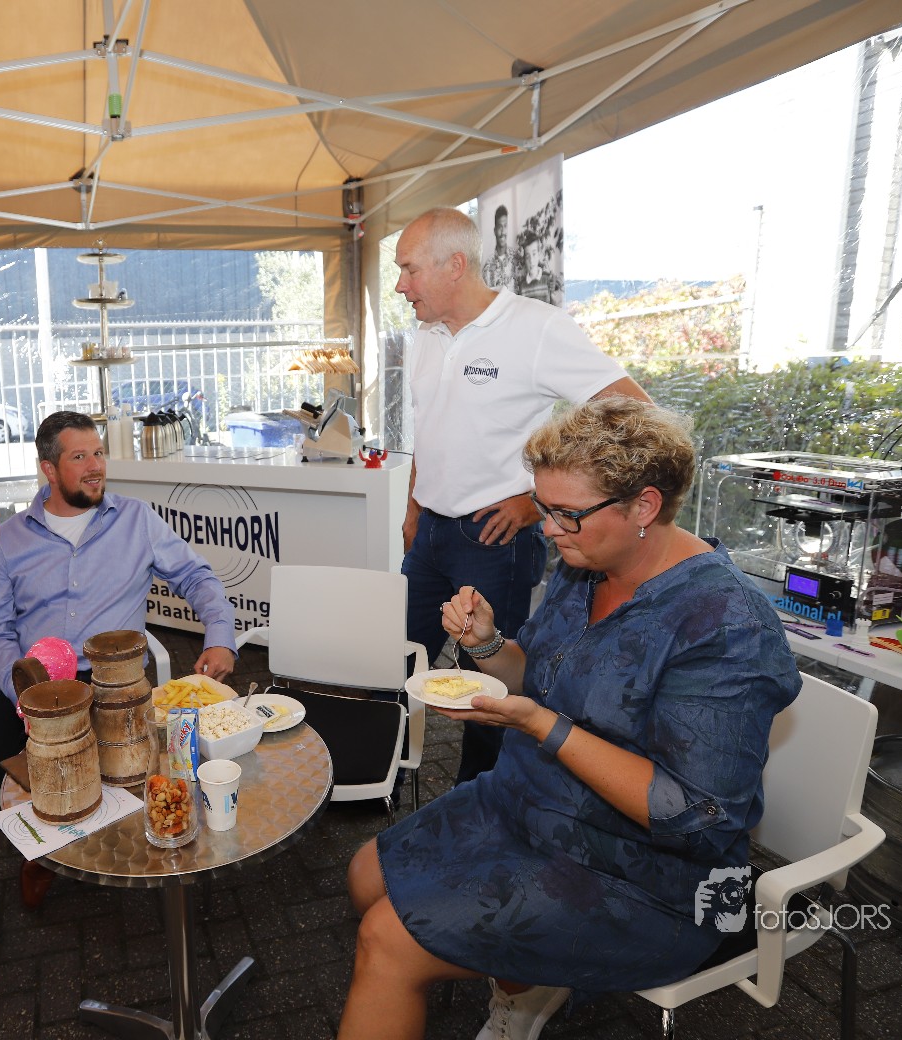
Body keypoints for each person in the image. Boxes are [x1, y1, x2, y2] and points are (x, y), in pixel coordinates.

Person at [337, 398, 800, 1040]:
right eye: (543, 506)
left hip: (648, 872)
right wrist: (487, 645)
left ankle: (520, 986)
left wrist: (542, 727)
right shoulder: (587, 564)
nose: (549, 529)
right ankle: (523, 979)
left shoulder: (724, 625)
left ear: (643, 506)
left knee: (386, 940)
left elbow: (696, 814)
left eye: (566, 514)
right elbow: (537, 676)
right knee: (364, 878)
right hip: (531, 800)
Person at [395, 205, 649, 786]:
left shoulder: (536, 328)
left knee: (491, 688)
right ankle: (383, 780)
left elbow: (634, 413)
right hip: (429, 533)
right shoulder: (425, 336)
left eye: (409, 269)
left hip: (493, 539)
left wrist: (540, 503)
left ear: (454, 265)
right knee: (399, 661)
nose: (402, 285)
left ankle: (483, 800)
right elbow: (426, 431)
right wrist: (411, 509)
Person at [0, 411, 237, 905]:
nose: (95, 466)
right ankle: (46, 847)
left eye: (99, 453)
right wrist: (23, 693)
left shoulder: (136, 520)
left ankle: (85, 840)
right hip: (38, 690)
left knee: (137, 778)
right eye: (79, 456)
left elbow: (197, 578)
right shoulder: (9, 540)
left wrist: (220, 637)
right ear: (48, 468)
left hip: (117, 687)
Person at [480, 204, 520, 292]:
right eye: (499, 227)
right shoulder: (487, 267)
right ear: (495, 230)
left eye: (505, 226)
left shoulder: (517, 259)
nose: (502, 232)